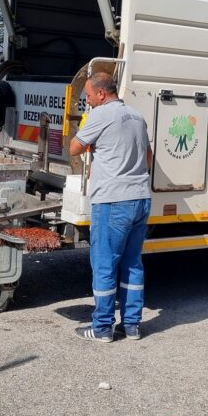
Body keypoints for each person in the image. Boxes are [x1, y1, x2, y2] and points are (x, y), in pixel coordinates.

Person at [69, 72, 152, 342]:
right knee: (132, 264)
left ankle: (103, 327)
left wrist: (86, 131)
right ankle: (132, 325)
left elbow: (73, 148)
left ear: (102, 93)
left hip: (112, 201)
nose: (89, 101)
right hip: (140, 198)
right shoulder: (137, 116)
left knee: (104, 264)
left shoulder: (100, 116)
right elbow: (148, 158)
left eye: (90, 96)